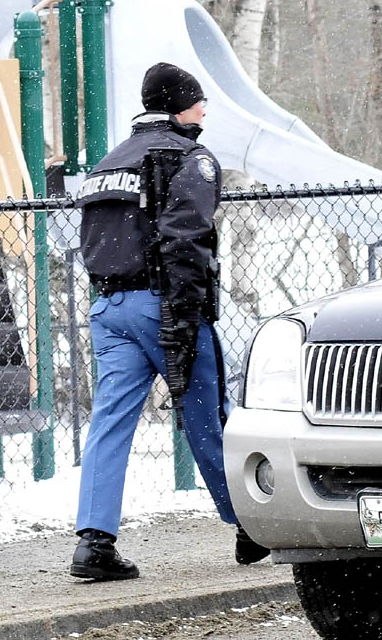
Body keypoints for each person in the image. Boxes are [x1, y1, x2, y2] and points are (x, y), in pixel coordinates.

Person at [70, 62, 268, 582]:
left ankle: (94, 542)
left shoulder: (108, 163)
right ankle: (250, 523)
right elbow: (186, 241)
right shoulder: (189, 158)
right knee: (211, 417)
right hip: (165, 306)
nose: (205, 109)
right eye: (199, 100)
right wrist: (181, 322)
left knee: (110, 423)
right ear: (180, 105)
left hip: (109, 309)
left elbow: (92, 242)